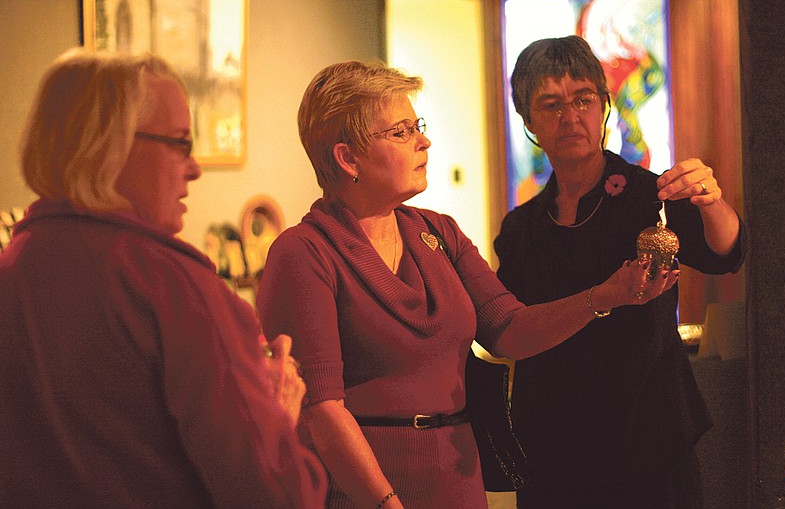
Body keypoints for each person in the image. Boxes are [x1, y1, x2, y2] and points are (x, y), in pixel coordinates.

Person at [256, 60, 681, 509]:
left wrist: (609, 295)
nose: (424, 141)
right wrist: (385, 503)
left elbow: (510, 330)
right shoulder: (304, 252)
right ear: (347, 158)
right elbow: (321, 410)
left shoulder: (438, 233)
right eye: (401, 132)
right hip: (361, 493)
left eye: (416, 126)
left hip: (456, 481)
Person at [0, 48, 326, 508]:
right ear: (106, 145)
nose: (194, 168)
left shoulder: (15, 268)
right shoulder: (173, 287)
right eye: (179, 142)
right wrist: (274, 416)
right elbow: (276, 496)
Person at [494, 35, 746, 508]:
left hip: (647, 432)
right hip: (553, 441)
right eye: (550, 105)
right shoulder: (522, 227)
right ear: (528, 121)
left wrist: (711, 201)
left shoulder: (650, 197)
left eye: (583, 99)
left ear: (604, 105)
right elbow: (506, 328)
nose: (570, 117)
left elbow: (725, 253)